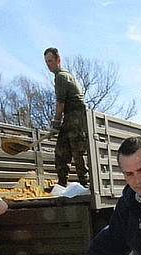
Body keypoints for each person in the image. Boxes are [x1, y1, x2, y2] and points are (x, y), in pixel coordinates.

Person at [44, 47, 88, 188]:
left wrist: (55, 123)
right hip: (69, 116)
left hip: (76, 116)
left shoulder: (61, 76)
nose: (48, 64)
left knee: (77, 151)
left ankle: (86, 183)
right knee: (61, 150)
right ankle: (62, 184)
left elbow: (60, 103)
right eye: (46, 62)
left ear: (58, 60)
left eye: (50, 60)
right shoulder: (61, 75)